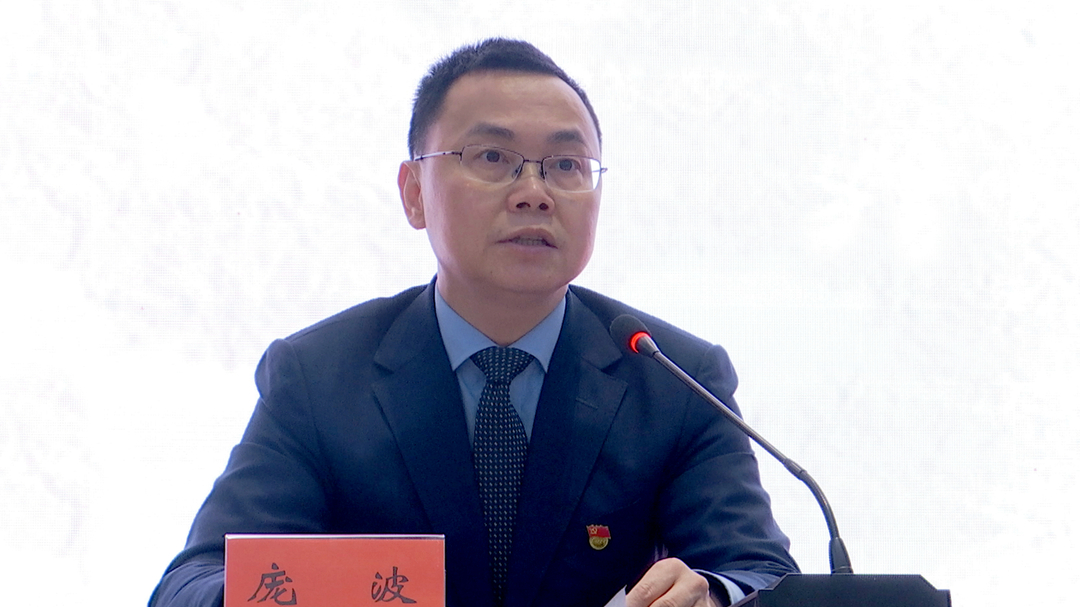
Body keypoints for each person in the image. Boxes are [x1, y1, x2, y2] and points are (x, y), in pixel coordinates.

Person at [148, 38, 798, 607]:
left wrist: (713, 593)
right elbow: (192, 582)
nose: (534, 192)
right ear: (413, 193)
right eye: (492, 157)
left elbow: (762, 572)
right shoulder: (319, 377)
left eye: (566, 166)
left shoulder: (674, 378)